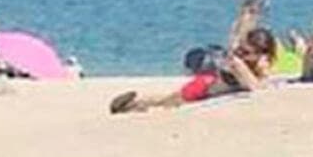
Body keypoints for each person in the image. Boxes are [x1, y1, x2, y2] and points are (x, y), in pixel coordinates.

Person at [110, 28, 277, 114]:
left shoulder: (259, 63)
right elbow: (256, 88)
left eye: (247, 52)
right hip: (204, 87)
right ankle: (134, 103)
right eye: (242, 50)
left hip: (210, 86)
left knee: (168, 100)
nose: (242, 54)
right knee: (168, 100)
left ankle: (135, 105)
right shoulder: (237, 63)